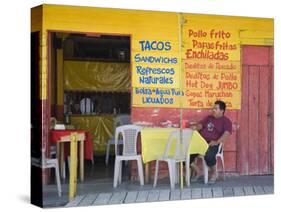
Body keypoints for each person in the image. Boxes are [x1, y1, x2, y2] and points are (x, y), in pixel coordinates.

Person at [189, 100, 232, 184]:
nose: (213, 110)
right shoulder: (208, 118)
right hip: (201, 142)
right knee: (185, 154)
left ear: (222, 111)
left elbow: (227, 133)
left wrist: (216, 142)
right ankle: (198, 171)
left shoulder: (226, 121)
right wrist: (195, 127)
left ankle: (214, 173)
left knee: (209, 155)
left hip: (213, 143)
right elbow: (200, 125)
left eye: (216, 108)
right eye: (213, 108)